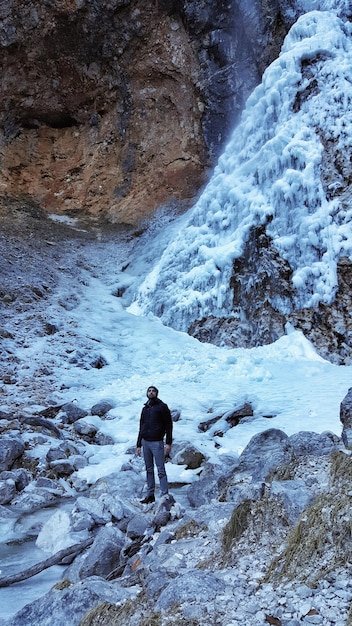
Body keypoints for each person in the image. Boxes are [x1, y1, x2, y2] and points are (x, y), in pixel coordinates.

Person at [136, 385, 172, 504]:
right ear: (147, 393)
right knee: (149, 469)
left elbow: (168, 425)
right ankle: (150, 495)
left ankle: (164, 495)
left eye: (153, 391)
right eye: (149, 391)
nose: (151, 393)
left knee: (160, 469)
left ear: (157, 393)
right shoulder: (145, 408)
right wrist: (138, 444)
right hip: (145, 442)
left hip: (157, 442)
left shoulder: (162, 407)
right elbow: (141, 426)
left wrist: (168, 443)